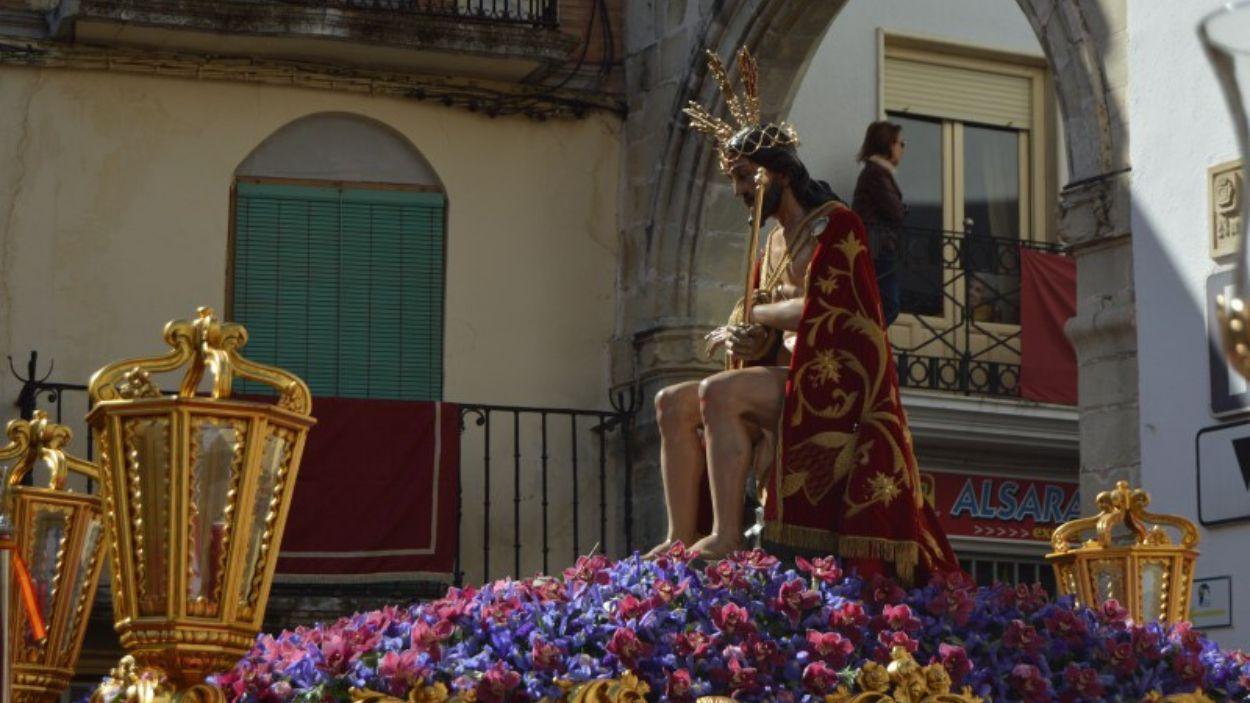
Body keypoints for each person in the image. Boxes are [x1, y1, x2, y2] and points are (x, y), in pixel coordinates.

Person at [645, 47, 958, 585]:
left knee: (719, 394)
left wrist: (763, 318)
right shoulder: (770, 243)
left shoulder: (837, 226)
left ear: (780, 174)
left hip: (829, 388)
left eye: (747, 179)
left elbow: (835, 308)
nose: (742, 193)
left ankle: (722, 537)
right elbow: (760, 309)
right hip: (786, 375)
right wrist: (743, 334)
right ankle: (679, 533)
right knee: (671, 402)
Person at [852, 120, 906, 326]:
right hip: (878, 248)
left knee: (879, 304)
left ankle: (869, 344)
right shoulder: (876, 173)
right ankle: (866, 343)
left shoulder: (877, 172)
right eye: (901, 143)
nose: (902, 149)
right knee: (887, 305)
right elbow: (895, 212)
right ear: (888, 144)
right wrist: (904, 210)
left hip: (877, 246)